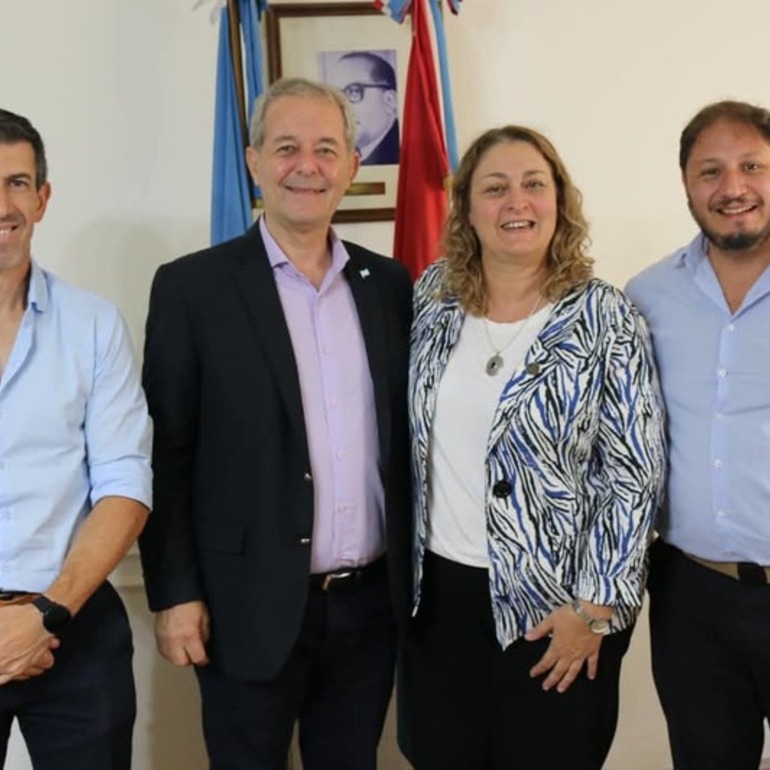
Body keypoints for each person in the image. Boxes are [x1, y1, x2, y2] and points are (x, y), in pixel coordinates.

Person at [140, 77, 413, 770]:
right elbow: (166, 454)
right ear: (256, 160)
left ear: (352, 165)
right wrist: (175, 594)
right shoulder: (191, 288)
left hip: (368, 609)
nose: (307, 165)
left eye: (327, 148)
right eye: (287, 147)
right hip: (242, 608)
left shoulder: (391, 287)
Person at [405, 125, 666, 770]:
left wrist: (595, 608)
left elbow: (635, 472)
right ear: (467, 208)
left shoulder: (605, 315)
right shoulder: (433, 299)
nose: (515, 202)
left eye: (533, 185)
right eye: (494, 188)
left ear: (559, 202)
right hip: (439, 603)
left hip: (557, 606)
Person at [0, 109, 152, 769]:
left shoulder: (92, 325)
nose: (2, 203)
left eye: (16, 182)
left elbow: (125, 482)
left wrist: (44, 616)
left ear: (43, 197)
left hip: (74, 626)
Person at [626, 100, 770, 770]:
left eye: (752, 166)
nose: (733, 187)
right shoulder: (646, 296)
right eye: (710, 171)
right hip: (693, 597)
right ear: (686, 184)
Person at [327, 51, 400, 166]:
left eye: (354, 91)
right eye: (335, 95)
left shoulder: (406, 154)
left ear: (390, 101)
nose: (341, 106)